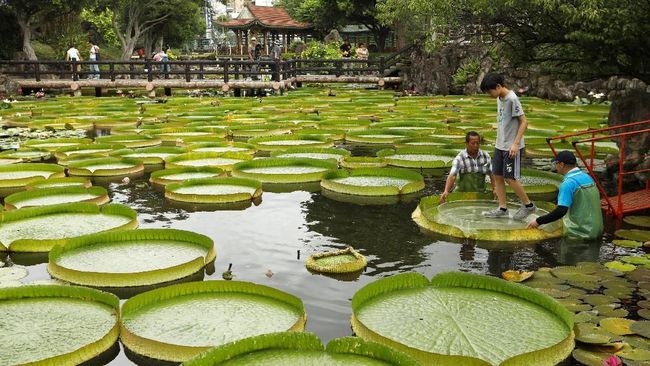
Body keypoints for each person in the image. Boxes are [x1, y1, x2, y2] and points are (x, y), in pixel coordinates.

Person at [480, 72, 535, 220]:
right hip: (500, 145)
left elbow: (524, 122)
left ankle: (528, 205)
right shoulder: (499, 98)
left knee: (510, 178)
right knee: (497, 176)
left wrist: (516, 144)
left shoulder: (512, 99)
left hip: (512, 146)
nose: (489, 95)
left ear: (498, 86)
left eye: (489, 91)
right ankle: (502, 208)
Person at [527, 151, 603, 239]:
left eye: (556, 163)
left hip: (579, 234)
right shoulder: (587, 177)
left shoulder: (568, 183)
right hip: (597, 229)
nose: (555, 167)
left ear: (561, 164)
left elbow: (561, 211)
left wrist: (537, 221)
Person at [440, 131, 495, 203]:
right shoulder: (460, 158)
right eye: (473, 143)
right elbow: (452, 176)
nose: (476, 146)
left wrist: (495, 189)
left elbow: (492, 175)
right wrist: (446, 191)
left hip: (480, 195)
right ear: (466, 144)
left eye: (477, 143)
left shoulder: (486, 156)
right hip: (461, 195)